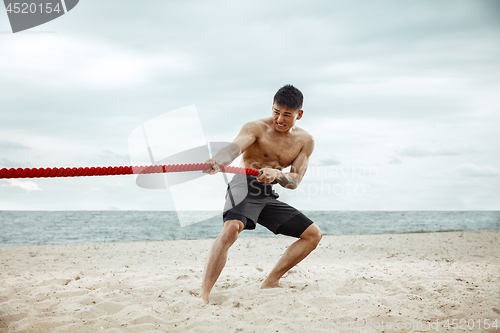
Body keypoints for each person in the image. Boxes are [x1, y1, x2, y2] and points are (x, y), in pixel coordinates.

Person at [200, 84, 322, 304]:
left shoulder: (305, 141)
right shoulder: (256, 128)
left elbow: (294, 181)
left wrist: (277, 174)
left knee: (313, 235)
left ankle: (271, 281)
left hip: (267, 191)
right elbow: (234, 148)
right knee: (231, 229)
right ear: (272, 108)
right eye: (276, 112)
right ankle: (204, 295)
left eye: (287, 115)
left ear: (299, 114)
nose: (279, 119)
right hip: (244, 184)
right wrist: (218, 160)